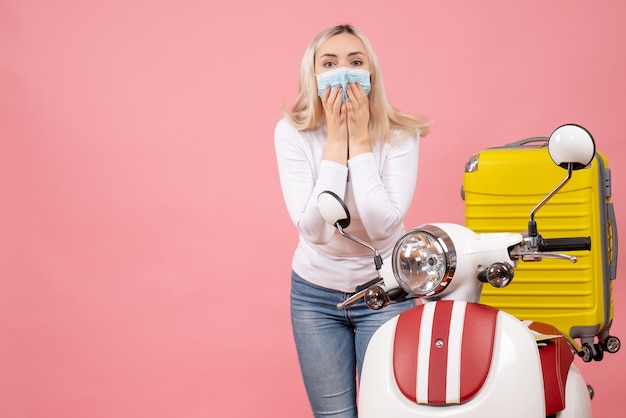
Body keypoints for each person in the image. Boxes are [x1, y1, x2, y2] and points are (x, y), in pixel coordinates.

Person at [274, 24, 431, 418]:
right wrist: (334, 144)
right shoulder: (292, 133)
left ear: (371, 75)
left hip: (389, 292)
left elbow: (382, 227)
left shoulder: (399, 134)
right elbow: (314, 231)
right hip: (315, 297)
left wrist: (358, 142)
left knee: (388, 411)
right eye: (329, 63)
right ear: (314, 75)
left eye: (355, 62)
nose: (343, 70)